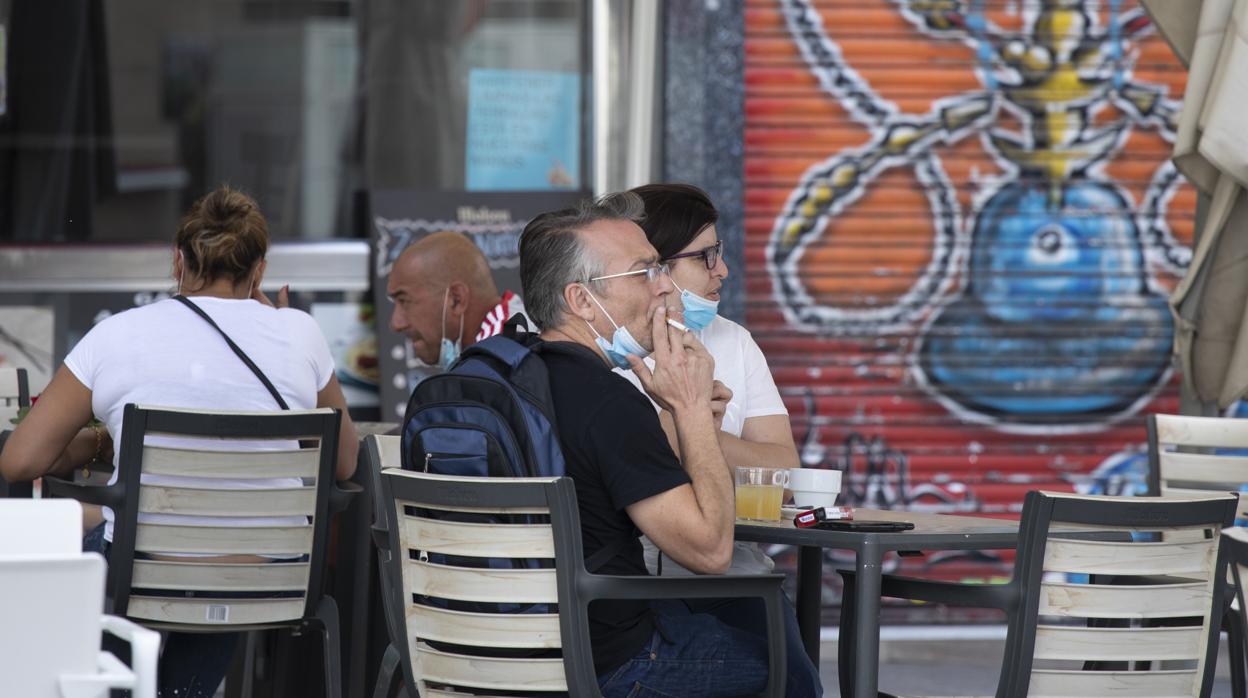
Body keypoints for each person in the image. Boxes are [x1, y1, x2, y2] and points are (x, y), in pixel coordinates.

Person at [0, 185, 358, 698]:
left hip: (140, 572)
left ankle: (117, 681)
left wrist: (98, 441)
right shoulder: (299, 333)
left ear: (177, 262)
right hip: (270, 577)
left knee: (83, 550)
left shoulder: (118, 335)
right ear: (259, 269)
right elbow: (344, 461)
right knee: (209, 567)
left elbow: (19, 461)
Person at [519, 192, 781, 697]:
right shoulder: (609, 401)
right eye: (645, 272)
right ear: (580, 300)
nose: (666, 288)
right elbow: (710, 551)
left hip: (471, 649)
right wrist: (688, 412)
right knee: (776, 659)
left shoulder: (482, 379)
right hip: (607, 663)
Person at [623, 183, 821, 695]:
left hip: (737, 579)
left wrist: (699, 429)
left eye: (722, 253)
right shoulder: (610, 351)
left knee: (795, 683)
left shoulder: (735, 341)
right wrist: (689, 425)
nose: (723, 271)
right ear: (654, 268)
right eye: (706, 256)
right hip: (631, 584)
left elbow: (787, 474)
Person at [387, 230, 530, 370]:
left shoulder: (501, 360)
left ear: (456, 300)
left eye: (404, 301)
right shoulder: (499, 349)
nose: (396, 324)